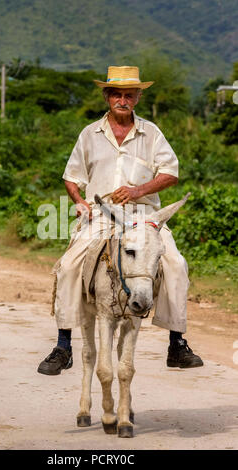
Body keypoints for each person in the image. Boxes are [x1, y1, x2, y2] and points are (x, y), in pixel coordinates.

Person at [37, 66, 203, 376]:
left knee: (176, 264)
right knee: (69, 266)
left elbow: (170, 174)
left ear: (138, 97)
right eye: (116, 94)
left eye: (129, 94)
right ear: (106, 96)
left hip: (144, 216)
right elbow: (72, 177)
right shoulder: (89, 133)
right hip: (101, 215)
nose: (122, 100)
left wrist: (138, 190)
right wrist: (79, 201)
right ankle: (63, 345)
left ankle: (177, 343)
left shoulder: (151, 132)